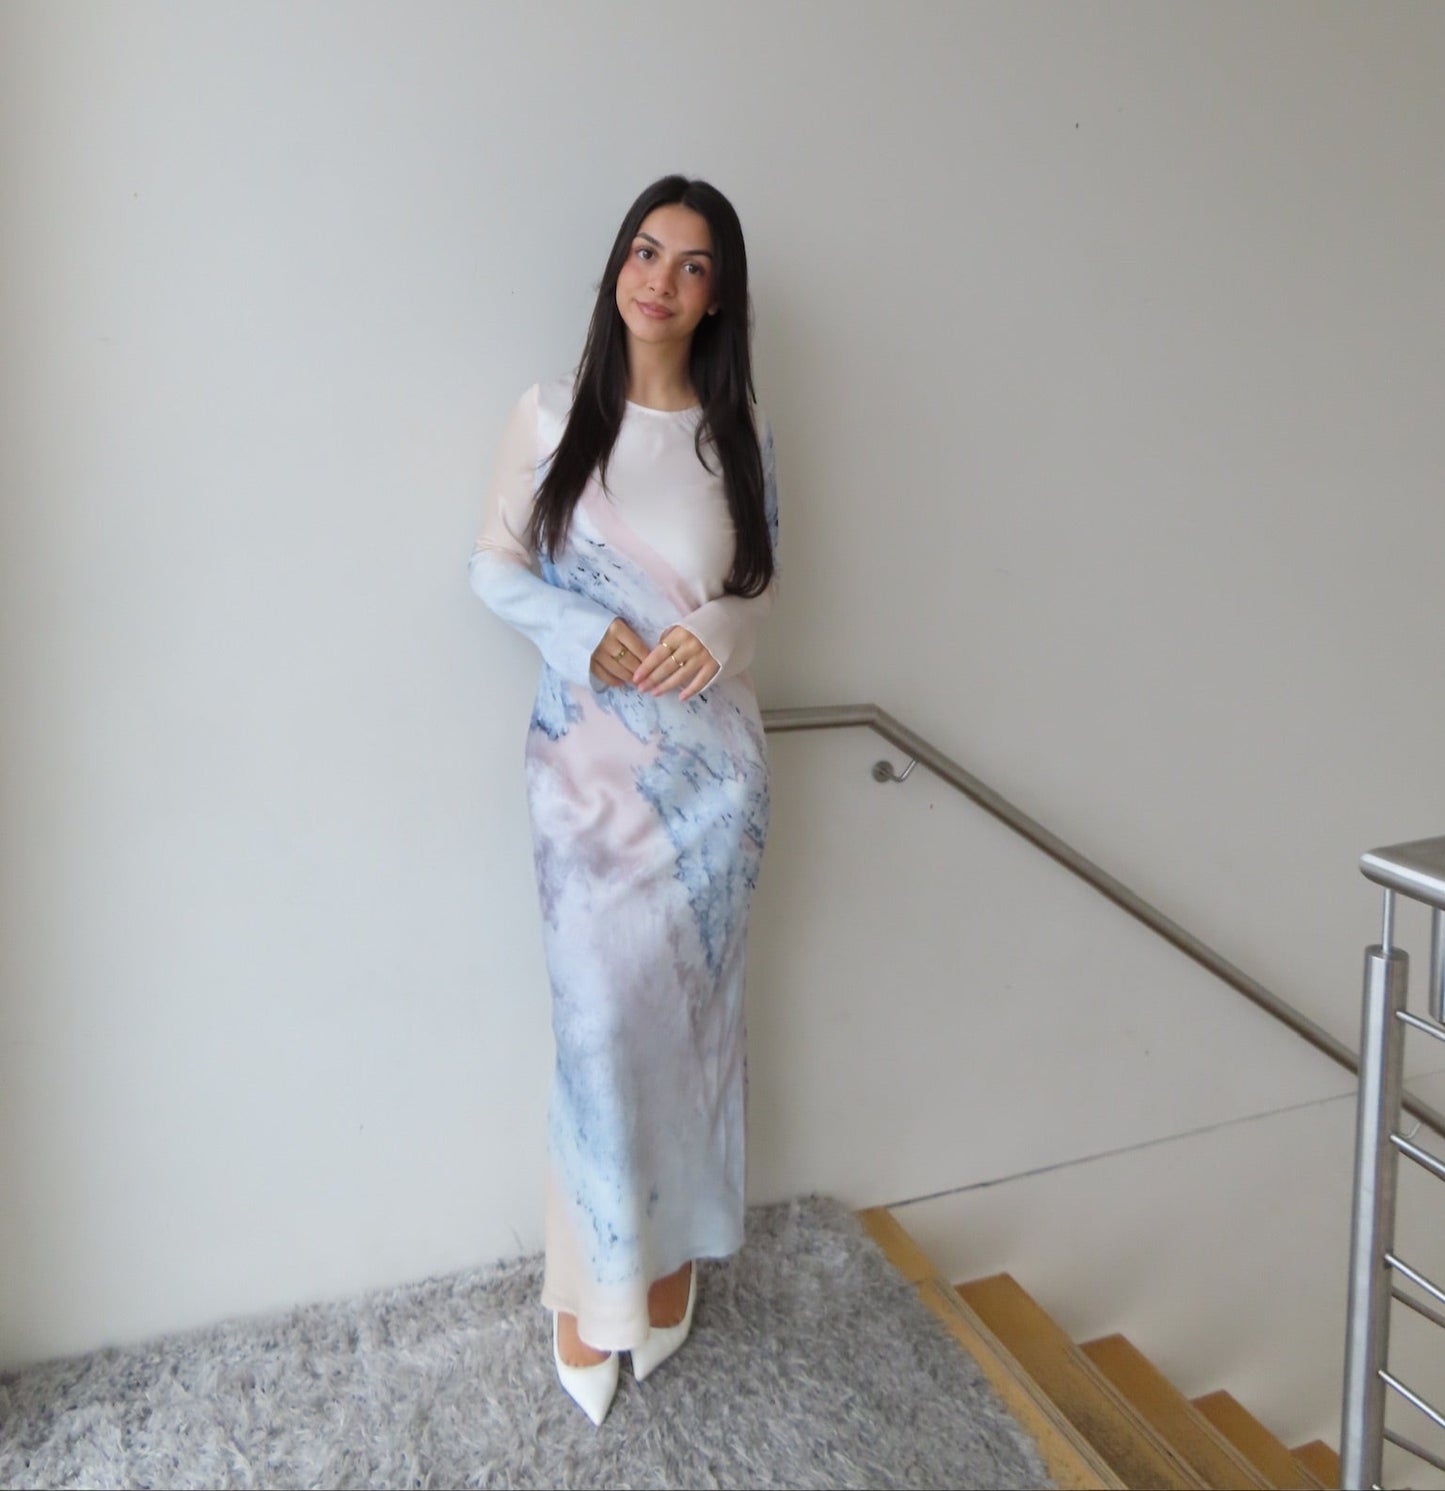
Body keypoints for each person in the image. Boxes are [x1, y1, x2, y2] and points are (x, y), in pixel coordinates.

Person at [468, 175, 778, 1426]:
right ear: (616, 267)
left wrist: (719, 631)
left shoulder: (735, 434)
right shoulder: (550, 416)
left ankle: (669, 1264)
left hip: (711, 791)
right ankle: (588, 1289)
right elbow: (492, 569)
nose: (660, 280)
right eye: (646, 252)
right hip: (582, 783)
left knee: (688, 1033)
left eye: (692, 266)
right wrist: (579, 631)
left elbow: (760, 587)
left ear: (716, 299)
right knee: (596, 1030)